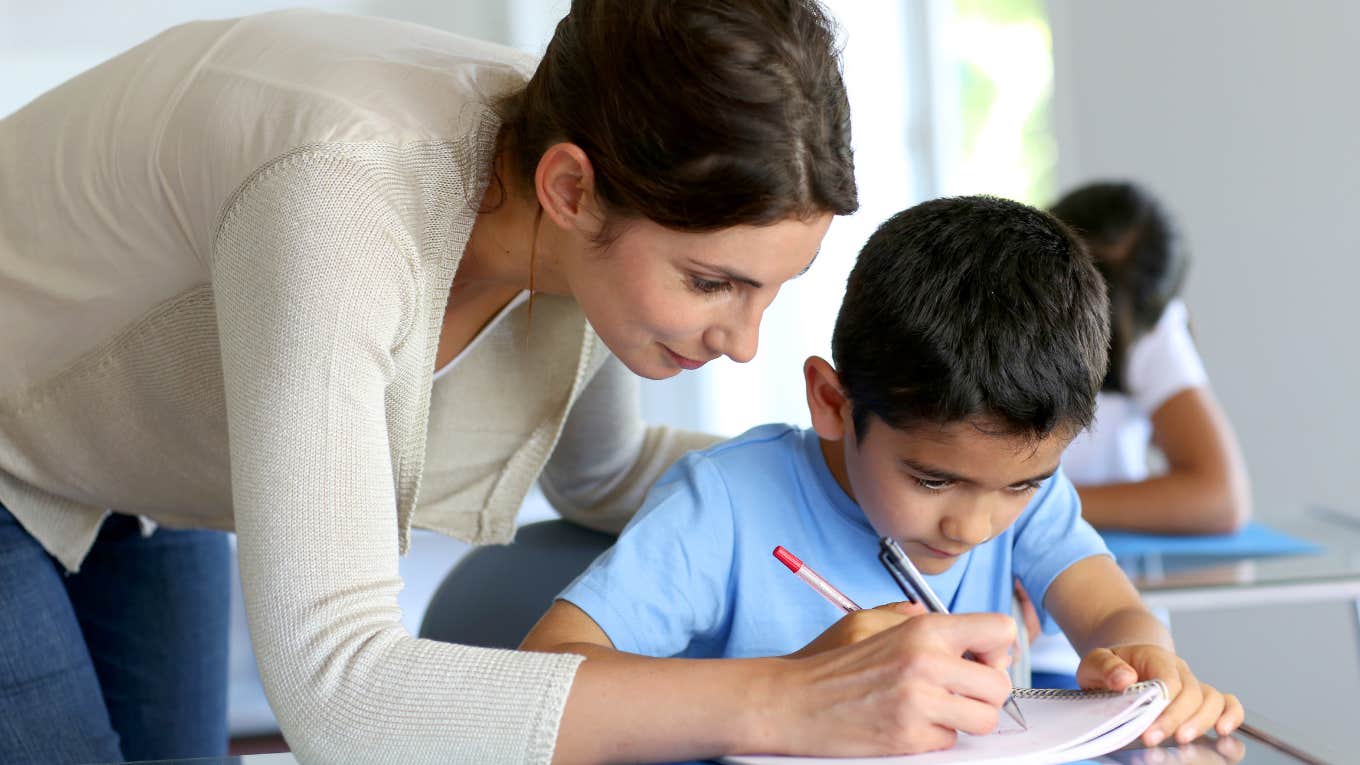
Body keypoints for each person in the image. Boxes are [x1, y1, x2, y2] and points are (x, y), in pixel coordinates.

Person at [0, 3, 1028, 764]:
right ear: (570, 189)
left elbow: (608, 473)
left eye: (769, 291)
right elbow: (336, 693)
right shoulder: (341, 206)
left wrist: (940, 500)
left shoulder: (580, 176)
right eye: (713, 283)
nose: (744, 343)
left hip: (126, 456)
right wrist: (786, 700)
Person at [522, 196, 1246, 754]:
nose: (975, 525)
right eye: (933, 480)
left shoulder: (1028, 500)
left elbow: (1112, 613)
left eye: (1021, 484)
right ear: (833, 402)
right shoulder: (725, 504)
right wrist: (803, 681)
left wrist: (1146, 660)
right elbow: (539, 678)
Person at [1025, 180, 1254, 689]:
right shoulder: (1011, 313)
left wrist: (1033, 506)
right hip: (1008, 634)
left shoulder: (1155, 329)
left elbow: (1219, 498)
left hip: (1097, 636)